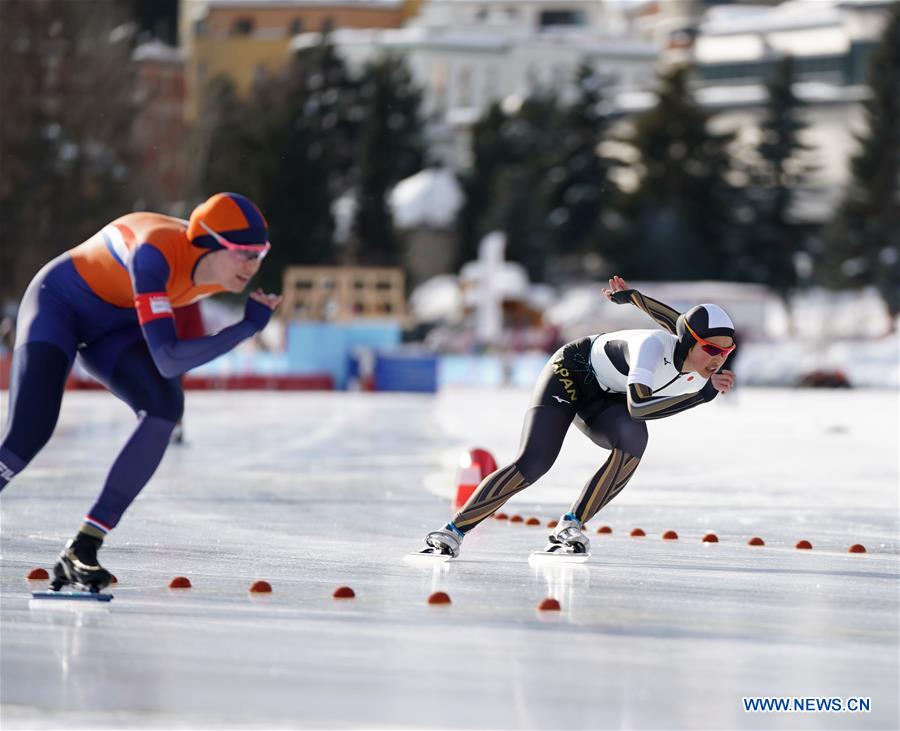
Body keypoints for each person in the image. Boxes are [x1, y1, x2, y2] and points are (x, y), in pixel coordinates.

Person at [0, 192, 282, 590]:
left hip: (114, 325)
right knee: (29, 433)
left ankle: (84, 546)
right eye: (243, 253)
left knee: (164, 407)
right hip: (58, 304)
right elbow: (168, 358)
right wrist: (245, 328)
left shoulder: (213, 270)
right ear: (209, 243)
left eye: (260, 254)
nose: (252, 266)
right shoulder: (155, 255)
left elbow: (170, 353)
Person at [418, 275, 737, 558]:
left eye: (728, 350)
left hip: (606, 393)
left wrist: (634, 298)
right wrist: (698, 396)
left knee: (633, 439)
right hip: (573, 370)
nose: (719, 359)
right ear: (689, 342)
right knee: (534, 462)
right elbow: (638, 406)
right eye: (712, 350)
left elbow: (677, 319)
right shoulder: (653, 348)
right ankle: (451, 532)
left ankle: (570, 526)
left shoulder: (703, 360)